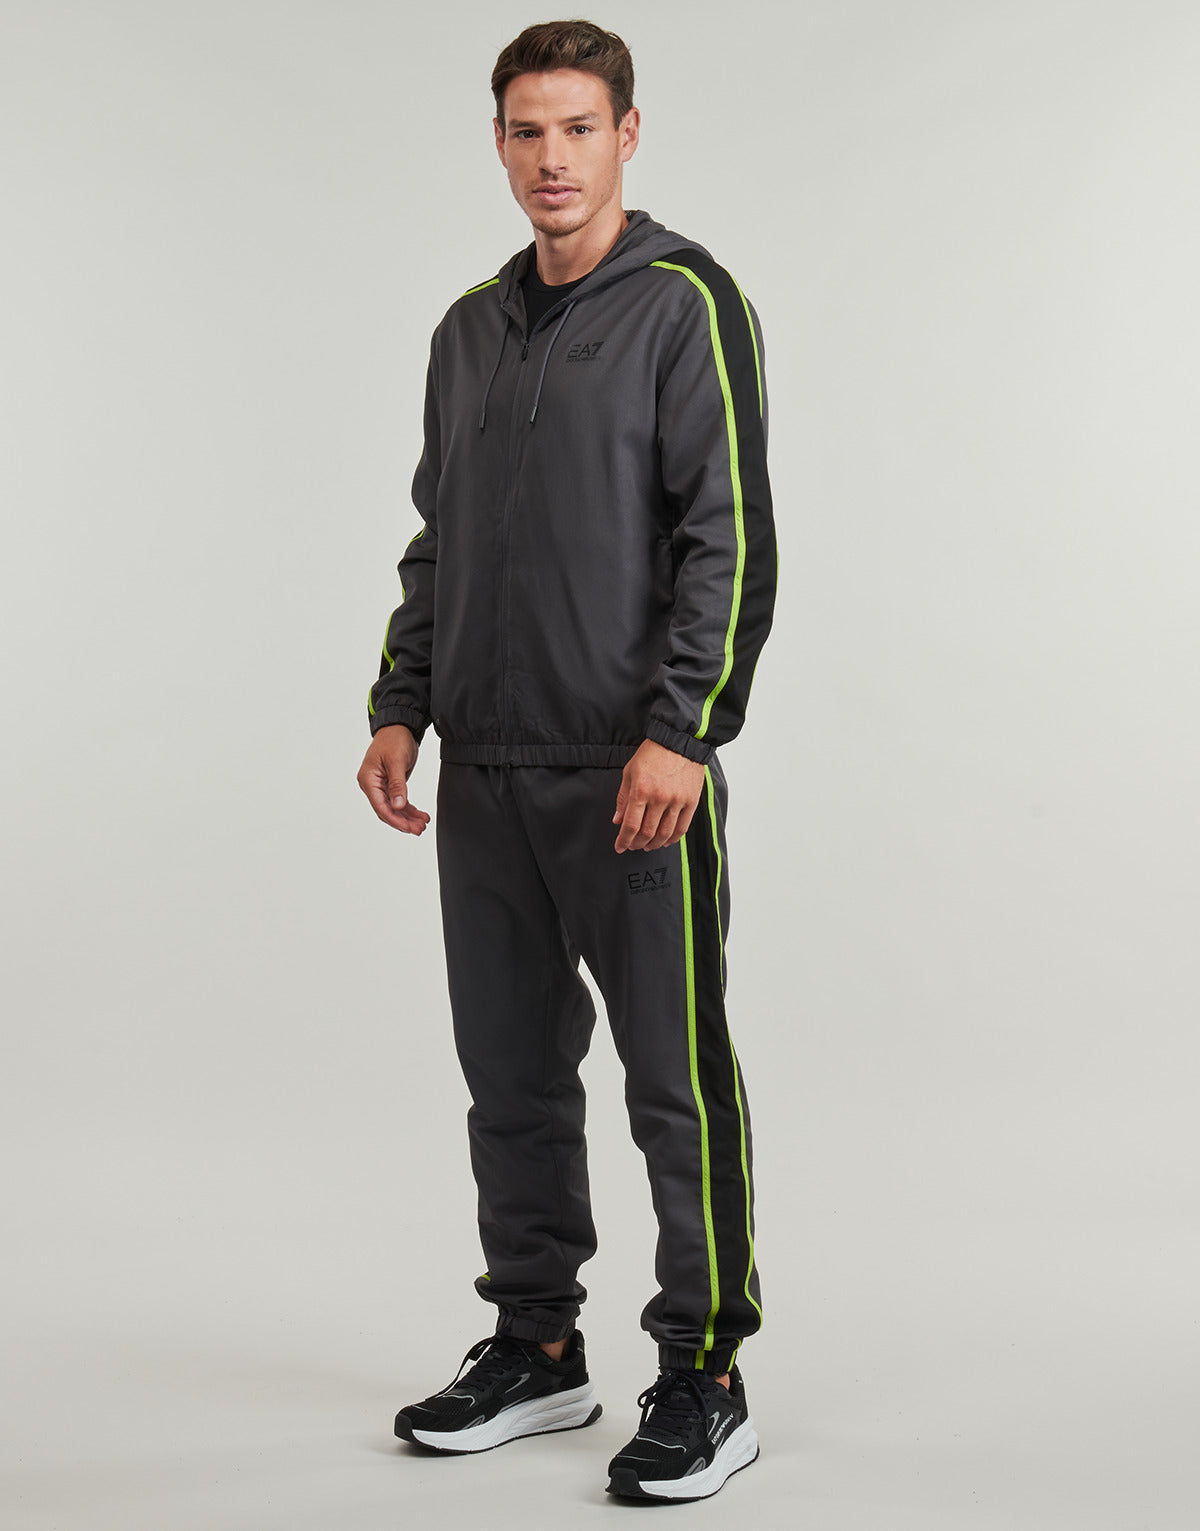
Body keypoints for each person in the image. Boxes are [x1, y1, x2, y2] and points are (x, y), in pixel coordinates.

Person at [356, 18, 777, 1503]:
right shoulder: (468, 327)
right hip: (485, 770)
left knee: (674, 1079)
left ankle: (707, 1373)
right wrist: (402, 702)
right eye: (527, 131)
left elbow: (729, 535)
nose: (552, 158)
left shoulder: (685, 303)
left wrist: (681, 731)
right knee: (513, 1078)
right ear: (499, 142)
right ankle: (537, 1346)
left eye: (579, 129)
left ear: (627, 135)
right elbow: (440, 537)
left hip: (628, 770)